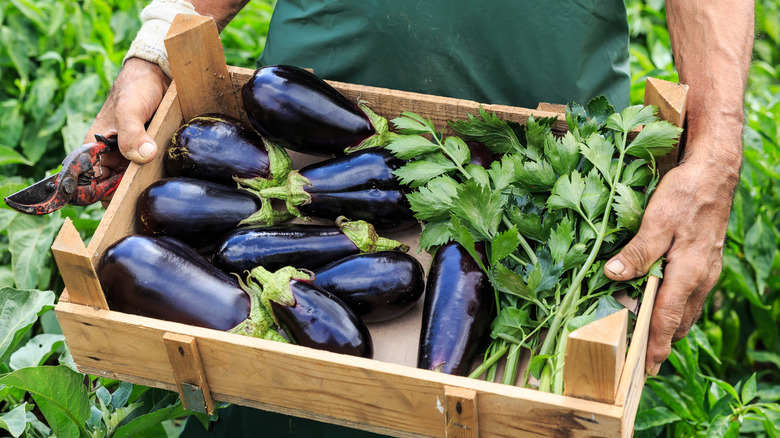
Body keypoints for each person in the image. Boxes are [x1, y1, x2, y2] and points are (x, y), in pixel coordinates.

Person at [86, 0, 754, 434]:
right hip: (309, 106)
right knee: (281, 399)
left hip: (555, 133)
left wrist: (716, 152)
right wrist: (157, 45)